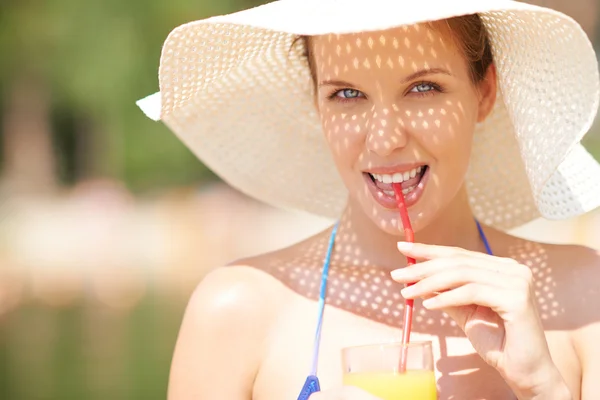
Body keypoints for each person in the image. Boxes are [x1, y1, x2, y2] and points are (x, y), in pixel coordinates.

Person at [137, 0, 600, 398]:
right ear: (317, 105)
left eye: (423, 88)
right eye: (347, 94)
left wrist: (544, 388)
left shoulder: (583, 301)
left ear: (484, 92)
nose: (383, 140)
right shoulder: (235, 312)